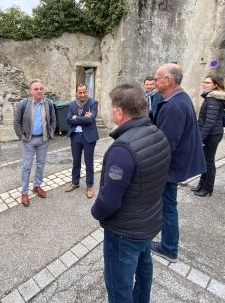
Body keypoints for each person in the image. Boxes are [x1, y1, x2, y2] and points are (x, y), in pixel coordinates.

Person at [91, 84, 171, 303]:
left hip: (124, 231)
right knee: (144, 268)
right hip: (149, 222)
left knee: (119, 285)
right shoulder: (157, 133)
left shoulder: (123, 149)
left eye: (111, 108)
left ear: (119, 112)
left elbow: (109, 201)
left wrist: (96, 211)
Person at [151, 63, 206, 263]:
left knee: (168, 206)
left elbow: (165, 144)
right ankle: (168, 243)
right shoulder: (179, 98)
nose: (154, 82)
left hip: (171, 167)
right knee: (168, 205)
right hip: (176, 164)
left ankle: (169, 247)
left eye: (157, 79)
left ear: (168, 80)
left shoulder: (173, 105)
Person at [13, 79, 56, 207]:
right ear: (30, 91)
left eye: (41, 89)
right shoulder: (24, 103)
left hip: (43, 139)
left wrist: (50, 133)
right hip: (29, 140)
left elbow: (53, 120)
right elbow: (16, 122)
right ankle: (24, 192)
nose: (39, 91)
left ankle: (37, 186)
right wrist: (22, 136)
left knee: (41, 164)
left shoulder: (48, 103)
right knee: (26, 166)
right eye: (36, 89)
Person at [192, 75, 225, 196]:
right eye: (203, 82)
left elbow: (209, 122)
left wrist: (201, 138)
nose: (204, 84)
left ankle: (208, 188)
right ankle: (201, 184)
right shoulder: (211, 97)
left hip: (212, 135)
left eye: (208, 82)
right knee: (205, 161)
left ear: (215, 85)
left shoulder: (213, 99)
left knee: (208, 162)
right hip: (211, 134)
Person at [64, 83, 99, 198]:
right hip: (75, 136)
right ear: (76, 93)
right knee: (76, 161)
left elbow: (91, 119)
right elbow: (69, 120)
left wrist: (76, 117)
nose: (82, 94)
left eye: (84, 92)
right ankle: (75, 182)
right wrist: (84, 117)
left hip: (89, 137)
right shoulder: (72, 104)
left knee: (89, 162)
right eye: (80, 92)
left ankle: (89, 186)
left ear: (87, 92)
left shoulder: (93, 103)